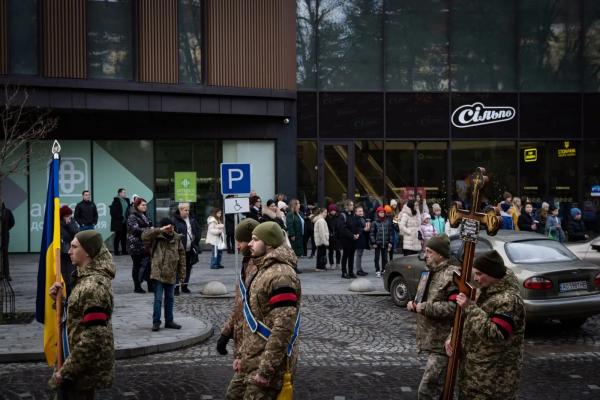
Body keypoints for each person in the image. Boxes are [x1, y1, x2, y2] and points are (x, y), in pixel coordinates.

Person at [227, 221, 301, 400]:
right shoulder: (262, 268)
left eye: (255, 239)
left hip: (268, 364)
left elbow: (283, 329)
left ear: (268, 243)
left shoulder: (281, 275)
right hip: (251, 357)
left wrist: (266, 371)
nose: (250, 243)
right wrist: (241, 355)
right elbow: (250, 318)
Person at [445, 250, 526, 400]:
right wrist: (452, 337)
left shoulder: (509, 300)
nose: (475, 278)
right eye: (476, 273)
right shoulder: (485, 291)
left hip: (493, 383)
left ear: (493, 274)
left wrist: (469, 307)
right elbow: (468, 321)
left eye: (480, 274)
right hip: (473, 376)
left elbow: (496, 335)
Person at [48, 230, 115, 399]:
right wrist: (61, 302)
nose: (69, 251)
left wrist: (66, 370)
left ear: (88, 251)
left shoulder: (94, 286)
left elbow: (94, 336)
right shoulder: (84, 279)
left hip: (78, 373)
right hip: (74, 367)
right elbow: (77, 318)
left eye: (74, 247)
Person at [406, 235, 459, 400]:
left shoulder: (452, 275)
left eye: (429, 251)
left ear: (440, 254)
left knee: (427, 390)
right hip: (432, 340)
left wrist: (423, 308)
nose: (425, 254)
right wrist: (414, 304)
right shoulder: (430, 272)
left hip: (444, 343)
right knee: (437, 390)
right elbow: (423, 301)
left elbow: (454, 308)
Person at [218, 218, 260, 360]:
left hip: (254, 348)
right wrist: (226, 332)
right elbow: (240, 304)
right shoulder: (247, 263)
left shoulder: (260, 268)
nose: (237, 246)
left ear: (250, 241)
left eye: (240, 241)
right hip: (243, 346)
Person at [142, 218, 186, 331]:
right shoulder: (156, 237)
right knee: (158, 299)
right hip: (158, 273)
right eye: (168, 227)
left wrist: (182, 274)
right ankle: (156, 322)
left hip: (171, 273)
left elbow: (182, 257)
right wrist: (160, 229)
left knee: (170, 298)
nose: (170, 229)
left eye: (172, 227)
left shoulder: (177, 238)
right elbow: (144, 236)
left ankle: (169, 321)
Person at [173, 202, 201, 294]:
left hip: (191, 248)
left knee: (188, 267)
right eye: (185, 210)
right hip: (179, 249)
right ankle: (176, 287)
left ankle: (184, 285)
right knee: (177, 268)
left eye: (188, 210)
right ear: (180, 210)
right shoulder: (175, 220)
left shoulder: (192, 219)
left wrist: (196, 241)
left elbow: (197, 230)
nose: (187, 212)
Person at [127, 197, 153, 293]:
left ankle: (150, 285)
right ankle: (137, 286)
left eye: (145, 205)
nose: (145, 207)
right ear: (137, 206)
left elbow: (149, 226)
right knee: (137, 265)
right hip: (136, 245)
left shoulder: (145, 215)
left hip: (146, 244)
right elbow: (135, 229)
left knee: (149, 265)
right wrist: (149, 230)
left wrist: (151, 229)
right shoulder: (132, 216)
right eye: (143, 205)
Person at [338, 200, 360, 279]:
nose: (352, 206)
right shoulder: (342, 215)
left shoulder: (353, 215)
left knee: (352, 256)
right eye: (351, 205)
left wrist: (357, 234)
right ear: (347, 206)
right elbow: (343, 228)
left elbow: (356, 225)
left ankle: (351, 272)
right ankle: (344, 272)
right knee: (345, 255)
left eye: (352, 205)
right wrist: (352, 235)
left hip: (353, 239)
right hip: (346, 239)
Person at [59, 205, 78, 294]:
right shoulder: (58, 224)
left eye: (70, 215)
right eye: (67, 215)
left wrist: (69, 224)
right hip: (62, 253)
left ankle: (71, 291)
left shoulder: (72, 221)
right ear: (62, 216)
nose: (69, 217)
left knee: (71, 273)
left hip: (71, 252)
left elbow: (76, 232)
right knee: (63, 273)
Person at [370, 206, 393, 278]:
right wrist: (373, 242)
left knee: (385, 258)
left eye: (383, 212)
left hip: (385, 243)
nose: (382, 214)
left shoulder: (387, 222)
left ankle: (384, 270)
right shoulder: (374, 222)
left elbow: (390, 233)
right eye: (380, 212)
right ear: (377, 213)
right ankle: (377, 270)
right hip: (377, 243)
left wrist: (390, 242)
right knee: (376, 258)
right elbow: (372, 233)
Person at [109, 188, 130, 255]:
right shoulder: (116, 201)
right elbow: (113, 212)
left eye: (125, 192)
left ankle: (124, 251)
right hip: (118, 222)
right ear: (119, 193)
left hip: (125, 222)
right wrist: (120, 217)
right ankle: (116, 251)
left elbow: (128, 210)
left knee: (124, 237)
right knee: (117, 237)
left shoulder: (126, 200)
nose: (125, 194)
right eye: (123, 192)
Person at [354, 205, 370, 276]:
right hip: (359, 239)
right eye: (359, 211)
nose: (361, 212)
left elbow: (364, 227)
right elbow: (356, 228)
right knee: (359, 254)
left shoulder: (363, 218)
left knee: (360, 254)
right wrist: (364, 229)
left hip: (363, 238)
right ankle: (358, 270)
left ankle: (360, 269)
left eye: (362, 211)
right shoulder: (356, 219)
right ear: (356, 212)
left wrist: (368, 227)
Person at [1, 202, 15, 280]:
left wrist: (6, 229)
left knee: (5, 255)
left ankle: (6, 274)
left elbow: (12, 222)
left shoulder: (7, 211)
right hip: (4, 235)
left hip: (4, 236)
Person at [312, 207, 329, 271]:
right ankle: (320, 267)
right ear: (321, 213)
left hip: (320, 240)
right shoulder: (321, 220)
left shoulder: (319, 220)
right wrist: (325, 241)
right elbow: (322, 232)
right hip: (321, 241)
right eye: (325, 212)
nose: (326, 214)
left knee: (320, 253)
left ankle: (320, 266)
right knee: (321, 254)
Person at [326, 204, 341, 269]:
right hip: (331, 237)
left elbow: (339, 226)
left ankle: (338, 263)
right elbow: (327, 227)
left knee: (338, 250)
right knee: (331, 251)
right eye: (332, 210)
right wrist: (329, 233)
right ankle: (332, 264)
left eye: (334, 210)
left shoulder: (338, 216)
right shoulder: (327, 218)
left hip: (337, 236)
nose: (333, 212)